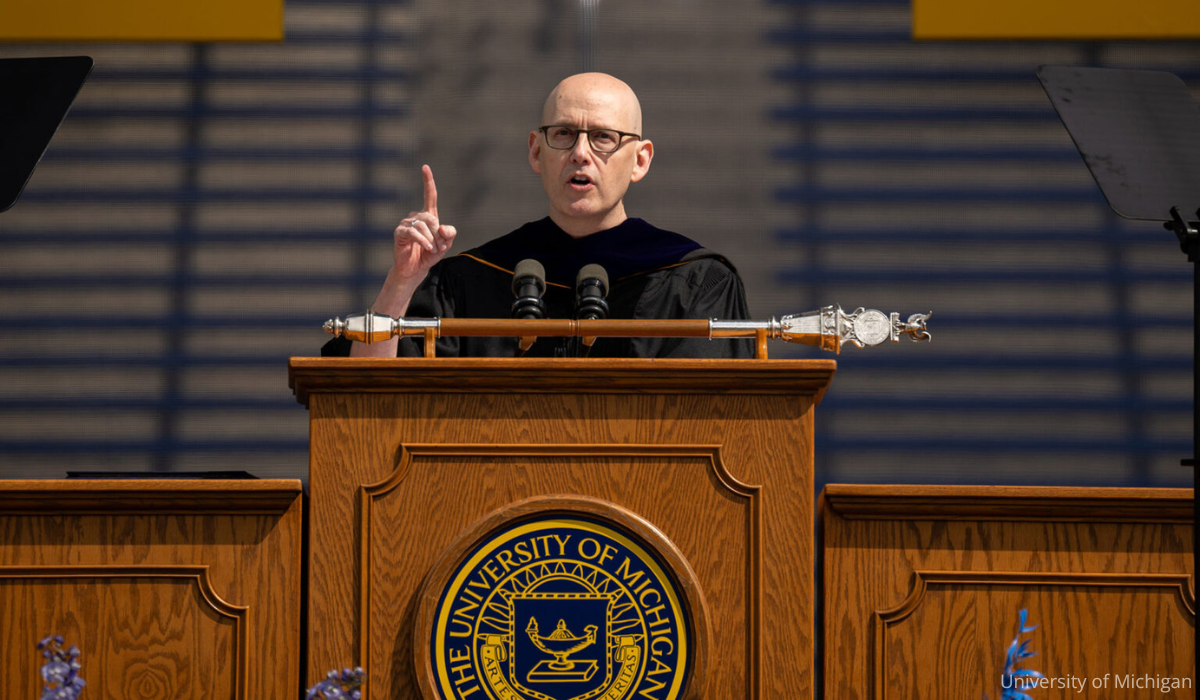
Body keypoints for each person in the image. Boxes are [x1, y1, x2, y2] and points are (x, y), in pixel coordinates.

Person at [324, 72, 752, 358]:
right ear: (535, 150)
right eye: (563, 134)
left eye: (603, 137)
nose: (581, 154)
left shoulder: (697, 284)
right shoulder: (468, 283)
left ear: (640, 160)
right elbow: (368, 388)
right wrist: (402, 283)